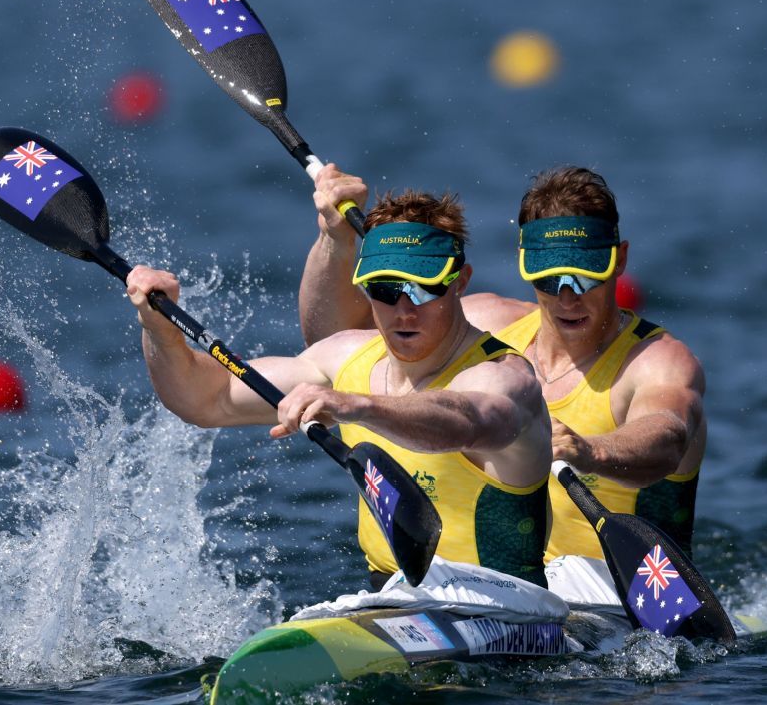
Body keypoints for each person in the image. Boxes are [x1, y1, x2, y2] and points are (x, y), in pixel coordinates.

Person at [127, 190, 554, 589]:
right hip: (388, 592)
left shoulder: (503, 375)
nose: (403, 311)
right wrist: (159, 332)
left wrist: (357, 406)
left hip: (508, 610)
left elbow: (466, 420)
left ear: (460, 281)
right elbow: (206, 399)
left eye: (424, 288)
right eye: (385, 290)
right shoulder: (346, 358)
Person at [299, 165, 705, 560]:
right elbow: (333, 341)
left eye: (584, 277)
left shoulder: (659, 362)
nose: (567, 298)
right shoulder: (483, 323)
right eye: (549, 278)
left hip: (619, 594)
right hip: (507, 589)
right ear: (524, 263)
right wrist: (334, 238)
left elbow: (665, 440)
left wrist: (588, 451)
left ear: (619, 260)